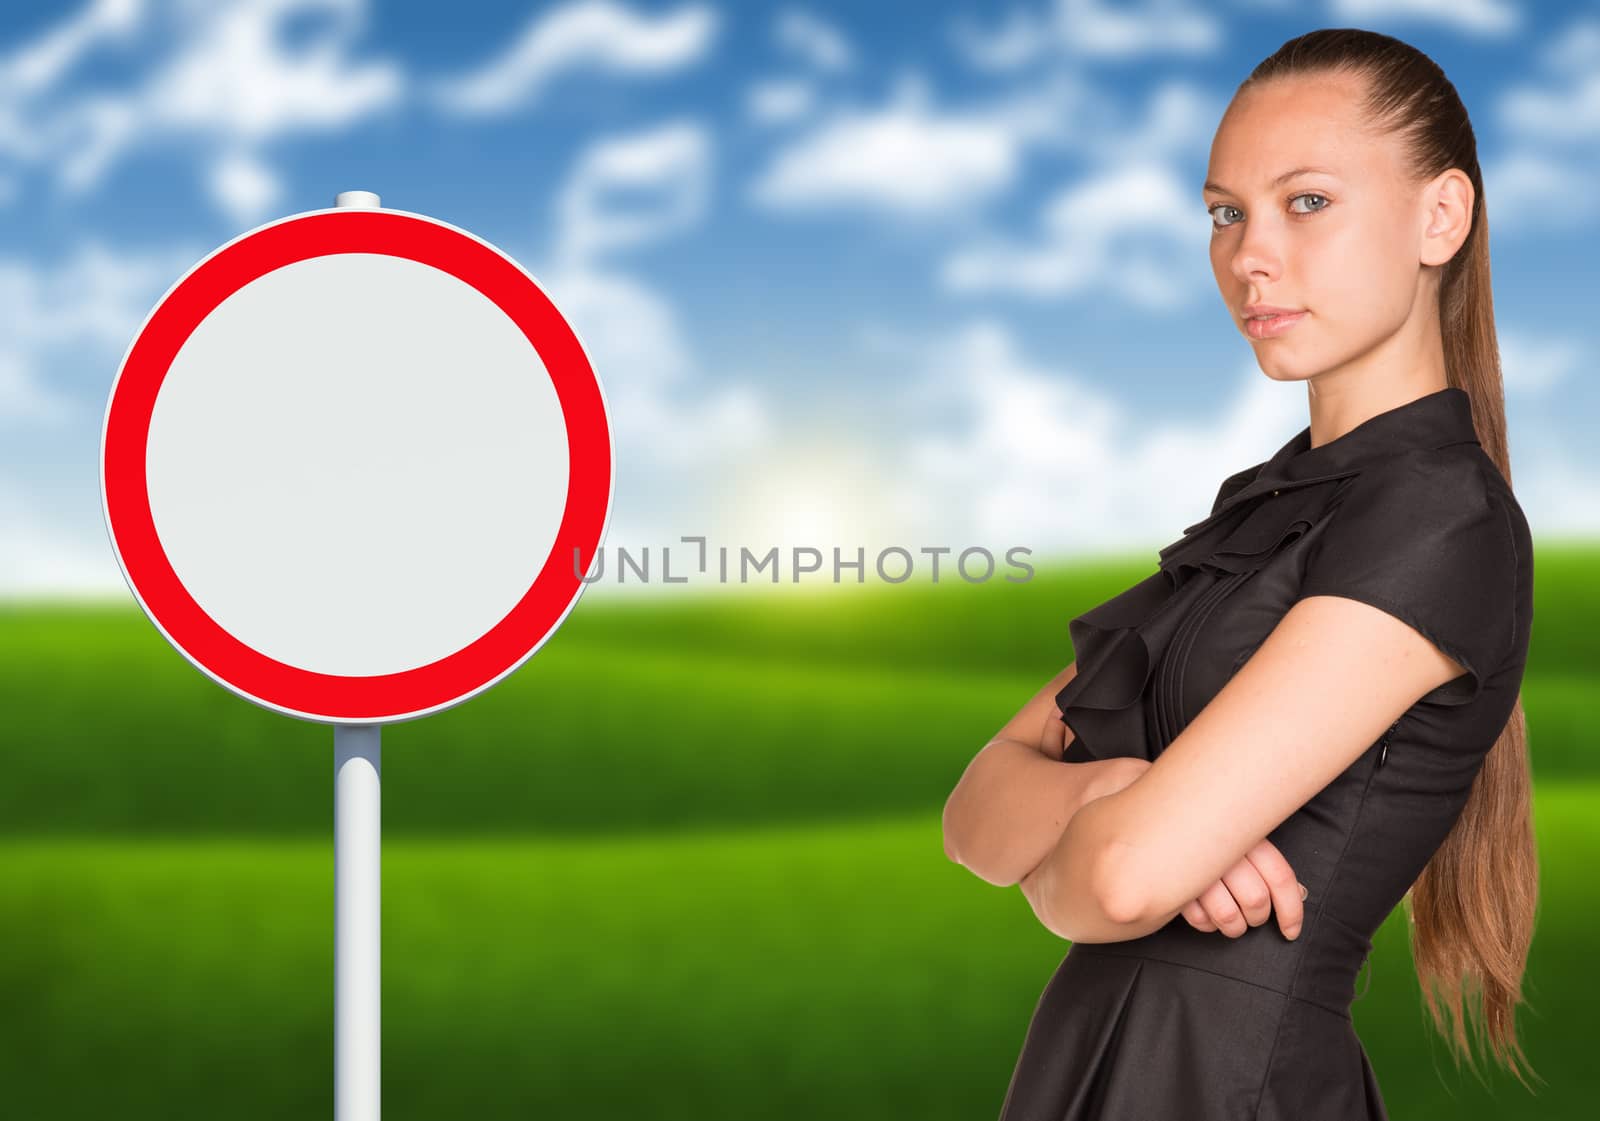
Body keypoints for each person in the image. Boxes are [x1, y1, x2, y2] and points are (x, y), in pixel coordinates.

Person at [942, 28, 1537, 1121]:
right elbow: (974, 808)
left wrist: (1109, 848)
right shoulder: (1269, 504)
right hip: (1103, 1060)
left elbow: (1115, 881)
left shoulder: (1438, 520)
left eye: (1306, 202)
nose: (1249, 254)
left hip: (1226, 1076)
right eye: (1226, 213)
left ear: (1439, 216)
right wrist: (1106, 793)